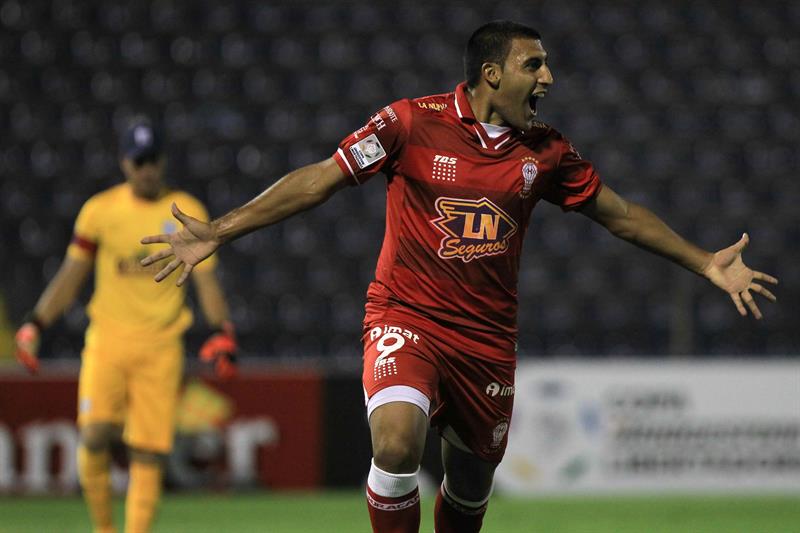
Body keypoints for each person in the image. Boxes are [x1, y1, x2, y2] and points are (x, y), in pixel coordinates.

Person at [139, 21, 778, 533]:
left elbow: (622, 216)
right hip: (406, 317)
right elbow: (320, 179)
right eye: (535, 65)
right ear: (492, 73)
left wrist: (704, 261)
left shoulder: (547, 151)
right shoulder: (409, 122)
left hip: (486, 342)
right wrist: (220, 229)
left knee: (469, 488)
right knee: (395, 445)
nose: (548, 77)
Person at [15, 117, 238, 533]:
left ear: (164, 161)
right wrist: (35, 323)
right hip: (108, 341)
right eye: (139, 161)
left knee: (148, 452)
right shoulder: (99, 211)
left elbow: (207, 279)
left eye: (153, 160)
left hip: (161, 345)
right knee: (94, 435)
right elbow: (70, 276)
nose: (147, 169)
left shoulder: (186, 211)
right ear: (124, 163)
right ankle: (104, 528)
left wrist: (221, 330)